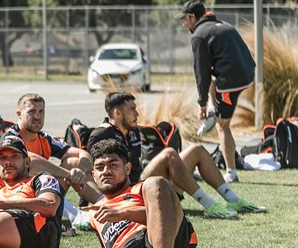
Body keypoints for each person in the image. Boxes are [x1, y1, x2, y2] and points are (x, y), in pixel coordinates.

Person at [87, 92, 265, 218]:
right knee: (170, 153)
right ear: (117, 113)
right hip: (129, 192)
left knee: (196, 149)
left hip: (142, 182)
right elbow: (93, 171)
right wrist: (92, 203)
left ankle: (232, 199)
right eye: (132, 109)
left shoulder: (132, 132)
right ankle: (209, 205)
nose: (137, 113)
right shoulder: (101, 134)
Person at [58, 139, 197, 248]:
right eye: (100, 167)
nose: (106, 171)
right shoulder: (96, 210)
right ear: (94, 175)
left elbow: (166, 217)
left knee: (156, 182)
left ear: (128, 168)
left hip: (164, 244)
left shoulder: (142, 189)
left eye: (113, 165)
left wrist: (124, 213)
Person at [0, 93, 99, 227]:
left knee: (72, 162)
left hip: (29, 195)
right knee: (38, 173)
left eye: (41, 112)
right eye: (31, 111)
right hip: (2, 201)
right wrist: (69, 175)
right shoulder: (10, 137)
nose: (37, 117)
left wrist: (79, 171)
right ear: (19, 114)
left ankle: (105, 204)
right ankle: (75, 215)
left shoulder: (43, 138)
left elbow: (83, 153)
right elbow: (31, 162)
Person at [179, 0, 256, 184]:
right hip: (247, 73)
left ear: (192, 17)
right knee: (214, 82)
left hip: (232, 82)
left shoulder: (199, 35)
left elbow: (201, 73)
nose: (183, 24)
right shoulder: (224, 25)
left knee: (223, 126)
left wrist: (202, 104)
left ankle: (231, 172)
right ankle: (214, 111)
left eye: (184, 19)